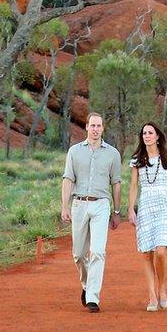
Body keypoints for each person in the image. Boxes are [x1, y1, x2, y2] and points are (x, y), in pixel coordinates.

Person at [61, 113, 122, 313]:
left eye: (99, 126)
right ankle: (87, 286)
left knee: (97, 251)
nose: (96, 129)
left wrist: (117, 211)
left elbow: (116, 183)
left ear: (103, 128)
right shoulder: (74, 152)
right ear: (86, 127)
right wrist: (65, 206)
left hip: (101, 205)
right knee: (79, 254)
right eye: (92, 125)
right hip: (79, 204)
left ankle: (93, 297)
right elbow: (68, 179)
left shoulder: (112, 153)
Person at [127, 122, 167, 312]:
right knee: (146, 253)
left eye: (150, 133)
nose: (147, 136)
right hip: (145, 207)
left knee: (160, 252)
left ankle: (162, 287)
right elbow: (134, 186)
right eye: (144, 133)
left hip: (163, 206)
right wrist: (131, 209)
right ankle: (151, 295)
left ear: (158, 136)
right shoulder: (137, 159)